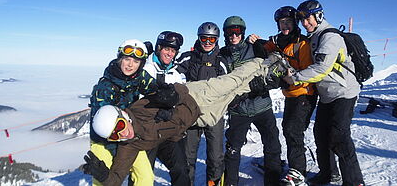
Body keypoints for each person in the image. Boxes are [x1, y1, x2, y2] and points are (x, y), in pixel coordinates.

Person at [83, 53, 290, 186]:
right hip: (199, 115)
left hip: (195, 95)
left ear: (123, 117)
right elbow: (117, 177)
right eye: (115, 135)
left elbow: (172, 91)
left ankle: (264, 61)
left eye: (120, 126)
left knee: (230, 81)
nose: (123, 133)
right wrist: (103, 176)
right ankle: (266, 76)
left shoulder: (139, 109)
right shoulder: (129, 145)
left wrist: (172, 97)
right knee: (235, 94)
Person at [284, 0, 365, 186]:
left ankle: (355, 182)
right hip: (327, 95)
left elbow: (321, 69)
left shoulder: (329, 37)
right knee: (320, 134)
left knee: (339, 136)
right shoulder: (314, 36)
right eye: (302, 20)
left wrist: (295, 78)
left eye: (307, 18)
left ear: (319, 15)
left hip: (344, 93)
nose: (305, 23)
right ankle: (328, 174)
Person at [248, 6, 328, 185]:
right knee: (288, 128)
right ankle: (294, 166)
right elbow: (265, 48)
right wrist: (254, 40)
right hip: (291, 94)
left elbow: (310, 72)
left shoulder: (302, 44)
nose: (285, 26)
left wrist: (286, 80)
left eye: (288, 22)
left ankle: (298, 171)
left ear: (295, 23)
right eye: (281, 23)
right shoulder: (279, 41)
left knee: (293, 130)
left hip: (304, 94)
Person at [220, 16, 282, 186]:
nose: (234, 35)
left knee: (272, 145)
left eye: (237, 31)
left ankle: (273, 180)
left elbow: (277, 62)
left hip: (262, 106)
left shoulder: (255, 48)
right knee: (233, 149)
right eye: (230, 32)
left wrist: (265, 84)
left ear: (243, 32)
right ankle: (230, 182)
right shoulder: (222, 55)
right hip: (239, 110)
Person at [88, 39, 159, 186]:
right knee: (103, 178)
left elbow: (154, 88)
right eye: (127, 59)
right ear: (120, 59)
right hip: (104, 139)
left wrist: (165, 97)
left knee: (145, 177)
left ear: (141, 64)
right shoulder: (105, 88)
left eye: (136, 61)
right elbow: (104, 127)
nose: (130, 64)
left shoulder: (138, 77)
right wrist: (120, 160)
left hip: (127, 134)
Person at [176, 22, 228, 186]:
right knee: (187, 155)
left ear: (217, 40)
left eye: (211, 40)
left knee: (216, 156)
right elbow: (173, 75)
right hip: (192, 113)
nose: (207, 42)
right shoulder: (188, 57)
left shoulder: (221, 61)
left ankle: (213, 183)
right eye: (204, 38)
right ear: (199, 38)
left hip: (214, 115)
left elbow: (227, 86)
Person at [142, 31, 189, 186]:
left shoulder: (175, 74)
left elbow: (181, 101)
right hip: (146, 132)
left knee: (181, 169)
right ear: (158, 48)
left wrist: (171, 111)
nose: (170, 53)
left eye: (173, 50)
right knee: (144, 175)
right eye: (166, 49)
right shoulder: (145, 70)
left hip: (167, 130)